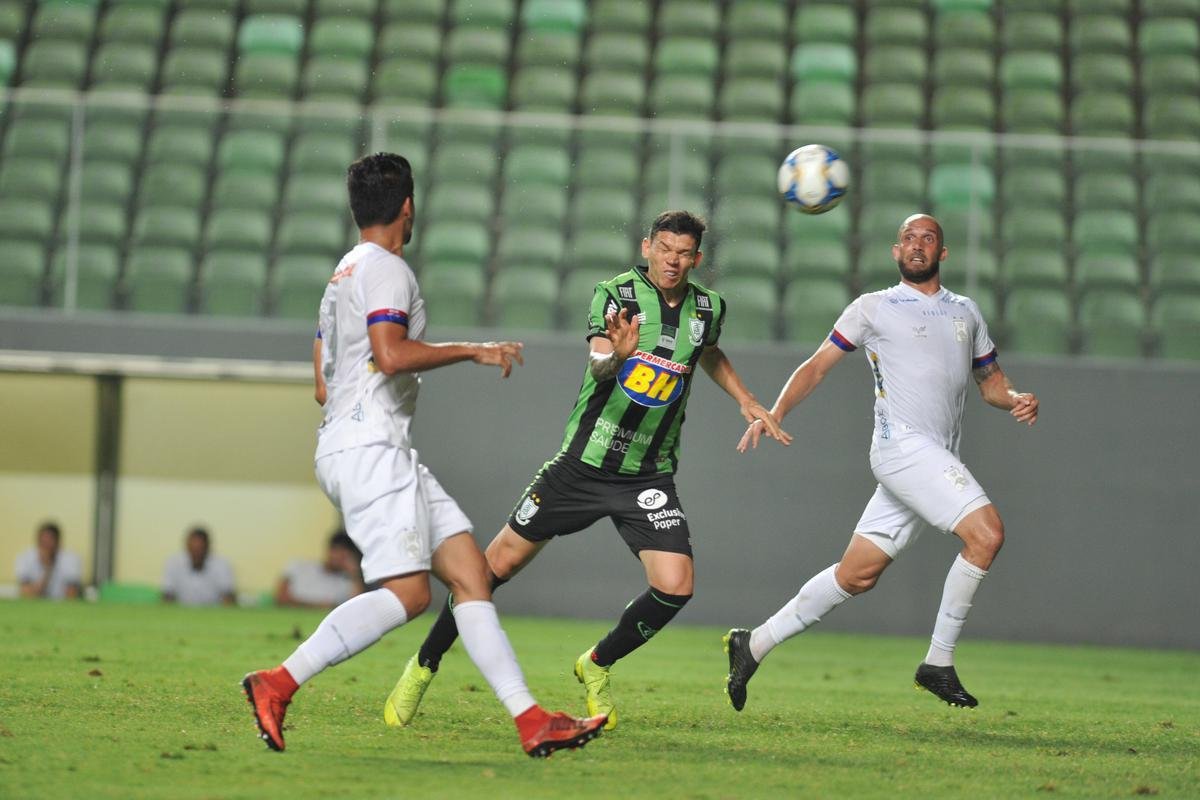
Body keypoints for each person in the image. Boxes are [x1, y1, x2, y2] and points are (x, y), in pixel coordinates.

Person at [240, 152, 606, 759]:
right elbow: (389, 355)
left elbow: (322, 382)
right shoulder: (386, 270)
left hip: (364, 444)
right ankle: (277, 682)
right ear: (408, 206)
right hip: (371, 449)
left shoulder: (343, 272)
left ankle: (531, 720)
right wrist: (472, 350)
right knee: (409, 594)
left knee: (469, 573)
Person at [384, 210, 791, 732]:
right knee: (488, 572)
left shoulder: (708, 307)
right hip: (581, 466)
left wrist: (745, 398)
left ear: (697, 258)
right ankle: (423, 666)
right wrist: (617, 357)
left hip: (648, 475)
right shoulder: (615, 295)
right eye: (664, 248)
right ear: (647, 247)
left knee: (677, 585)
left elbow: (708, 352)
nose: (673, 260)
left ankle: (595, 665)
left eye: (684, 253)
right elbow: (597, 362)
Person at [724, 213, 1040, 711]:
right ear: (896, 252)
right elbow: (817, 364)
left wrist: (1016, 397)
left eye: (928, 239)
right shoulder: (873, 307)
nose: (917, 246)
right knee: (987, 534)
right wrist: (776, 410)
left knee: (856, 575)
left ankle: (753, 644)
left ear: (943, 252)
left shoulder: (966, 313)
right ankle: (938, 662)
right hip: (903, 449)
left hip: (934, 458)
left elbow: (991, 384)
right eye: (909, 239)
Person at [275, 530, 364, 609]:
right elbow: (281, 598)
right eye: (337, 551)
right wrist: (319, 606)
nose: (339, 558)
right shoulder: (298, 566)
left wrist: (354, 574)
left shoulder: (345, 584)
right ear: (330, 549)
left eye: (345, 556)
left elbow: (356, 608)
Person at [161, 526, 236, 606]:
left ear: (207, 547)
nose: (196, 553)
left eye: (200, 548)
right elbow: (167, 594)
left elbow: (228, 595)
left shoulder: (222, 564)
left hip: (213, 613)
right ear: (187, 546)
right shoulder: (173, 563)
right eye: (192, 548)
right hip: (181, 612)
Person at [15, 521, 82, 599]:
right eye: (43, 543)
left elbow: (71, 595)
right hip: (34, 605)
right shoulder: (25, 558)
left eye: (49, 542)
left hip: (61, 605)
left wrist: (50, 565)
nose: (46, 547)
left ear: (58, 542)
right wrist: (47, 570)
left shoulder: (71, 559)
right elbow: (27, 594)